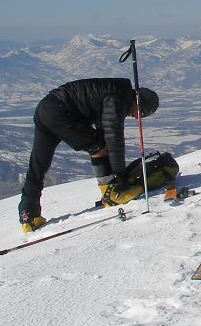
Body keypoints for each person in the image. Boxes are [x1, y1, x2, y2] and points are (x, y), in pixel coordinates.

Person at [18, 78, 159, 232]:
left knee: (38, 164)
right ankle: (111, 193)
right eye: (141, 113)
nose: (137, 117)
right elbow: (113, 138)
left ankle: (29, 216)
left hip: (45, 109)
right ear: (138, 102)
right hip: (60, 112)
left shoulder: (116, 91)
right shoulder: (119, 98)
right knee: (98, 147)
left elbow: (104, 130)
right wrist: (120, 175)